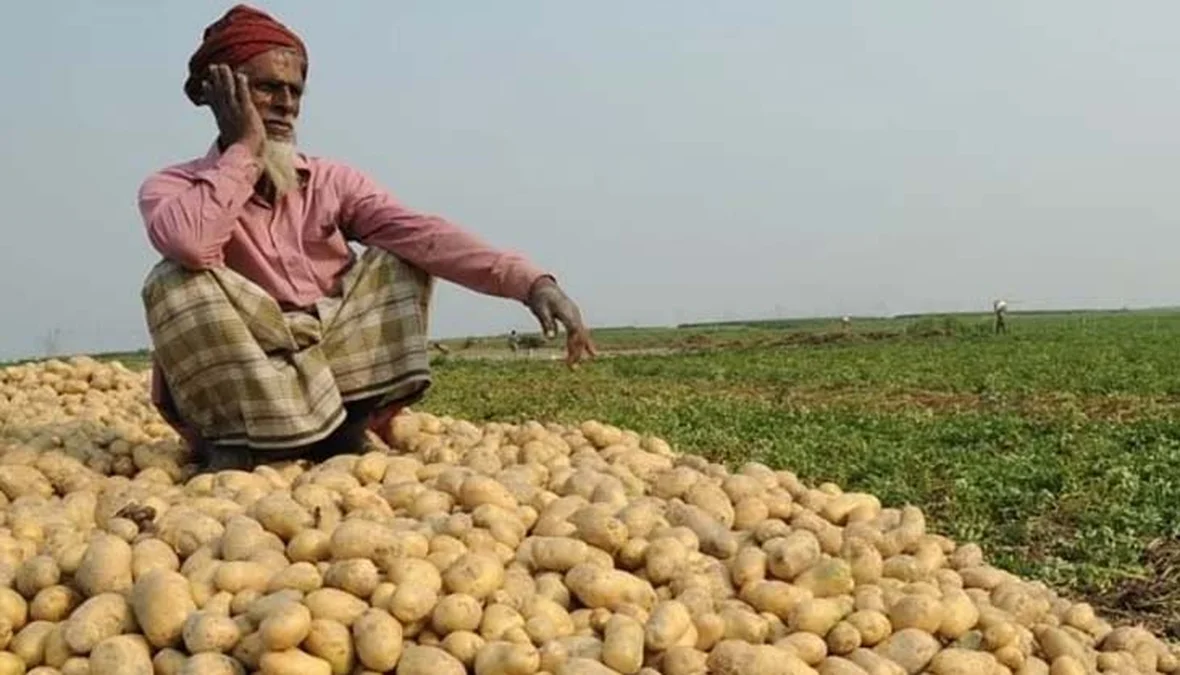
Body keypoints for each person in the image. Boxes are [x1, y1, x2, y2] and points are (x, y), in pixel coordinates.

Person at [138, 5, 596, 471]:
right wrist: (244, 150)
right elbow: (192, 243)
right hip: (249, 370)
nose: (285, 104)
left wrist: (532, 283)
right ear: (225, 96)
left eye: (294, 91)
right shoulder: (173, 187)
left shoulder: (332, 180)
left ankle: (342, 432)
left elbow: (424, 235)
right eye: (266, 88)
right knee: (173, 278)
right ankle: (239, 443)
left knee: (402, 256)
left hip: (330, 359)